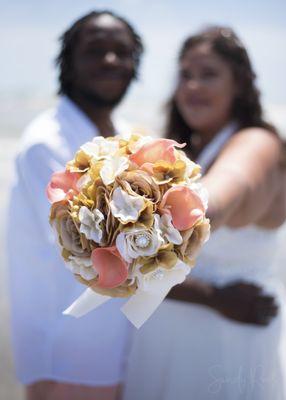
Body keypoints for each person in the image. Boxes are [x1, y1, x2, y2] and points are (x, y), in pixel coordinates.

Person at [123, 26, 286, 400]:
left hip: (224, 349)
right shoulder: (183, 153)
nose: (192, 86)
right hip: (163, 342)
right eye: (185, 75)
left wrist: (124, 217)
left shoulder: (257, 142)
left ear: (240, 84)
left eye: (208, 74)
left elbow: (215, 200)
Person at [6, 10, 143, 400]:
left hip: (114, 342)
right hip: (67, 348)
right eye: (95, 50)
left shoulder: (127, 134)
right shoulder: (46, 144)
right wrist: (211, 297)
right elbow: (84, 253)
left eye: (122, 51)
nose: (111, 61)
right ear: (68, 62)